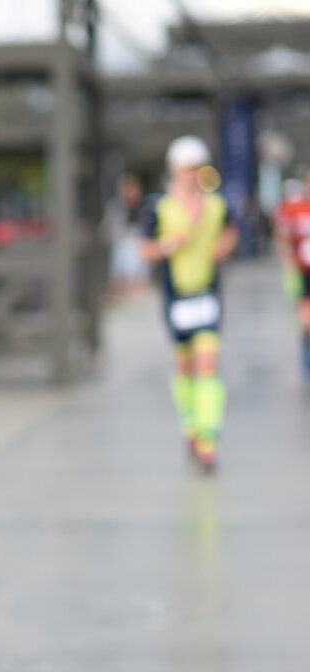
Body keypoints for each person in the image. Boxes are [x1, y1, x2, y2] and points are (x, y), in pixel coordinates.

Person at [140, 135, 239, 472]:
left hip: (207, 294)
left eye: (195, 168)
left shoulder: (217, 205)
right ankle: (191, 425)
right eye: (184, 169)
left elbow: (231, 231)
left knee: (208, 361)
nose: (190, 174)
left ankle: (208, 436)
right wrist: (169, 245)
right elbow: (146, 249)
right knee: (184, 366)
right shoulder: (159, 206)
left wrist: (224, 246)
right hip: (176, 296)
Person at [273, 176, 310, 376]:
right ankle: (307, 350)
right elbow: (283, 234)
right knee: (306, 315)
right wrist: (287, 255)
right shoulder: (296, 209)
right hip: (304, 269)